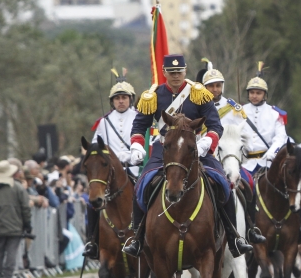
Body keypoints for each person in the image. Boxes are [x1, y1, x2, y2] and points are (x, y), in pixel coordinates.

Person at [124, 54, 251, 258]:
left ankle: (234, 236)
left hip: (196, 148)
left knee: (223, 184)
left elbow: (215, 125)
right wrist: (137, 147)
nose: (176, 76)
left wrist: (207, 142)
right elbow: (139, 126)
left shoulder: (198, 93)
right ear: (165, 73)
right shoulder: (153, 95)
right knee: (142, 184)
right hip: (165, 148)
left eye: (179, 72)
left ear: (185, 72)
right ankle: (137, 238)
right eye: (171, 72)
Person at [201, 66, 265, 245]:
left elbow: (246, 136)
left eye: (218, 85)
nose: (215, 89)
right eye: (211, 86)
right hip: (205, 157)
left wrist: (243, 151)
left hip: (229, 158)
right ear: (204, 87)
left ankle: (250, 228)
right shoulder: (196, 105)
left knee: (249, 182)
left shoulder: (233, 108)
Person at [83, 72, 140, 259]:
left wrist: (131, 157)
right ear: (112, 101)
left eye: (124, 97)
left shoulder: (140, 118)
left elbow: (149, 142)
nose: (121, 101)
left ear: (130, 99)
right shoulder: (104, 122)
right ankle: (92, 241)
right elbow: (94, 148)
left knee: (151, 196)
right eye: (117, 98)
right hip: (109, 175)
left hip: (135, 169)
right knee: (92, 202)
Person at [240, 65, 288, 175]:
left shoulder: (275, 114)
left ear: (264, 95)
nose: (254, 96)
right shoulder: (239, 111)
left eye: (258, 93)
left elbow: (281, 137)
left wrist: (272, 152)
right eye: (252, 93)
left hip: (267, 162)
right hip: (244, 164)